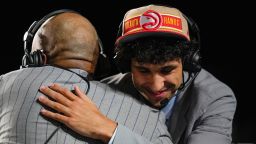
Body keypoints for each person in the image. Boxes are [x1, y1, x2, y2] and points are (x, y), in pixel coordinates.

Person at [37, 4, 237, 144]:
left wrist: (108, 130)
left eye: (167, 70)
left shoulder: (216, 99)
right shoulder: (108, 87)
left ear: (187, 63)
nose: (156, 85)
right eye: (143, 70)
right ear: (127, 66)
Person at [0, 9, 172, 143]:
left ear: (37, 58)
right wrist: (112, 131)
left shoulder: (6, 83)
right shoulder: (150, 117)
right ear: (99, 62)